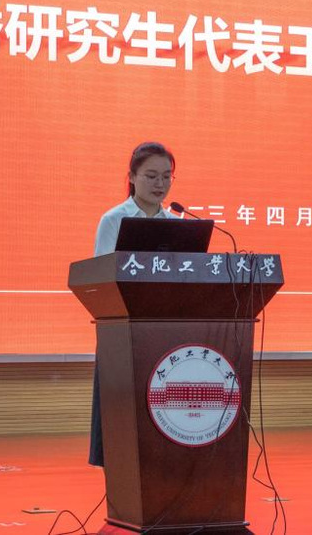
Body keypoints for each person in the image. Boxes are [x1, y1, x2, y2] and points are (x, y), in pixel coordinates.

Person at [89, 141, 178, 467]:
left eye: (166, 177)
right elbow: (100, 279)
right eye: (151, 176)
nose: (159, 184)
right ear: (131, 177)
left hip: (165, 335)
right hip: (123, 334)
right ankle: (120, 485)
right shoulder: (114, 220)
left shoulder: (177, 225)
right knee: (121, 423)